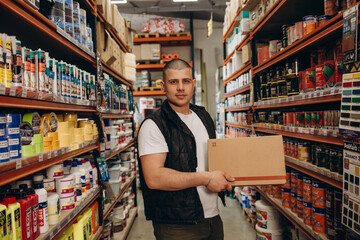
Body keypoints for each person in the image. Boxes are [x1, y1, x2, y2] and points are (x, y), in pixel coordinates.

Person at [137, 59, 234, 240]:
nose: (181, 88)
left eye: (186, 81)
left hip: (212, 217)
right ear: (163, 86)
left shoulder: (203, 116)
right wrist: (207, 178)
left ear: (193, 84)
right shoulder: (153, 125)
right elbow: (154, 178)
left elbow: (211, 158)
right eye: (174, 82)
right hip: (176, 225)